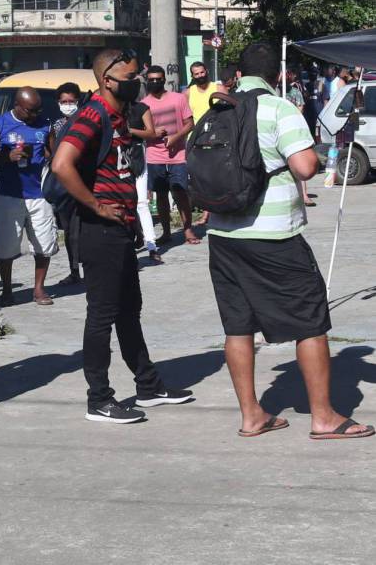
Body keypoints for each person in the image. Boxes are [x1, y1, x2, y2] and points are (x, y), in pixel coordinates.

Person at [208, 42, 373, 440]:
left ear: (239, 73)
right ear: (277, 75)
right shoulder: (279, 108)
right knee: (311, 321)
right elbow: (304, 165)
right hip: (274, 235)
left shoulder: (219, 108)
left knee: (238, 325)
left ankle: (252, 415)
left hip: (224, 234)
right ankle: (324, 418)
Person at [51, 48, 193, 424]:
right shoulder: (92, 115)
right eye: (132, 79)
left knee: (129, 310)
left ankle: (148, 386)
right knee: (102, 316)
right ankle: (99, 399)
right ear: (107, 81)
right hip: (100, 230)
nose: (139, 84)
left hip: (121, 227)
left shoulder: (117, 117)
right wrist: (96, 206)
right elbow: (61, 164)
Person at [0, 87, 59, 306]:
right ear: (17, 106)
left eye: (38, 110)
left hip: (39, 194)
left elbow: (54, 154)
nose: (35, 114)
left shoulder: (45, 125)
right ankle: (7, 290)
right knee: (6, 246)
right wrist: (7, 156)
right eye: (31, 111)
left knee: (44, 243)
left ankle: (39, 289)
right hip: (10, 194)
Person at [140, 65, 199, 245]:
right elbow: (141, 130)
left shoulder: (178, 98)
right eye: (151, 80)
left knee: (181, 192)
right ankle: (166, 232)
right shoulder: (143, 104)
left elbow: (190, 124)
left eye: (159, 79)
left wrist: (176, 137)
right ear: (147, 81)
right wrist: (152, 132)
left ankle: (188, 229)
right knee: (162, 195)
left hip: (178, 155)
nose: (155, 82)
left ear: (164, 80)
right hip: (154, 156)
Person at [51, 82, 84, 286]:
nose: (68, 105)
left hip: (85, 182)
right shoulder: (56, 126)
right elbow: (53, 153)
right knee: (69, 230)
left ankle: (90, 267)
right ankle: (74, 271)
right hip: (64, 184)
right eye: (64, 101)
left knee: (86, 228)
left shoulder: (86, 122)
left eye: (71, 101)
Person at [127, 83, 163, 264]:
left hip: (137, 156)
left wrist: (130, 131)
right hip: (116, 157)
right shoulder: (110, 109)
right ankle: (134, 237)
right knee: (123, 203)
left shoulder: (141, 108)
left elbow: (151, 133)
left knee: (141, 203)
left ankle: (151, 245)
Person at [285, 67, 316, 207]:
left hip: (293, 128)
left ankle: (304, 195)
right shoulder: (276, 91)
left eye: (287, 74)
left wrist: (291, 117)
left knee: (300, 161)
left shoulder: (295, 91)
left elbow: (301, 107)